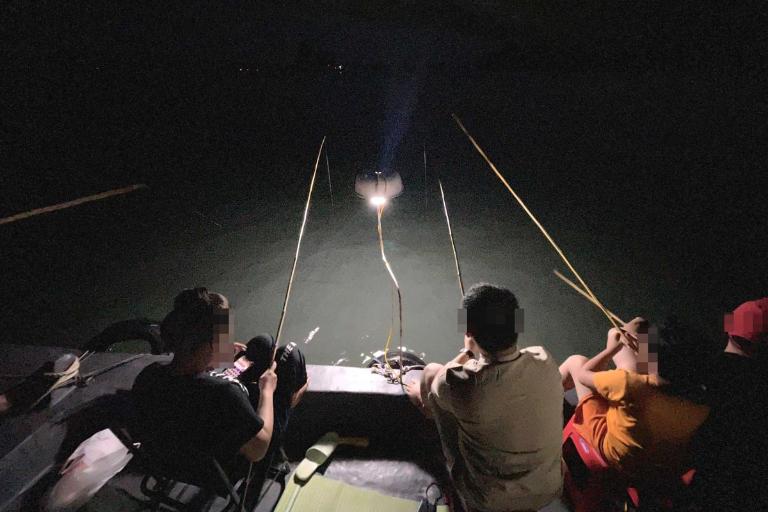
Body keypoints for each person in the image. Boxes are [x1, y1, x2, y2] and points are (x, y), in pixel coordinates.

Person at [407, 283, 563, 512]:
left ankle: (426, 409)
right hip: (549, 488)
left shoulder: (462, 385)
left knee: (431, 373)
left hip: (488, 500)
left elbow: (440, 376)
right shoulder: (544, 359)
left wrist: (468, 351)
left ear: (468, 331)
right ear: (518, 322)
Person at [132, 287, 277, 489]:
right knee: (289, 356)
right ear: (207, 347)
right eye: (224, 337)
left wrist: (217, 353)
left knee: (263, 342)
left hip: (167, 463)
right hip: (215, 473)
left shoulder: (149, 376)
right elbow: (258, 450)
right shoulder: (224, 394)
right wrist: (267, 391)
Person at [558, 317, 710, 487]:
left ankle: (541, 393)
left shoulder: (628, 384)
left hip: (613, 452)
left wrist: (611, 349)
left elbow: (583, 375)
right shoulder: (701, 406)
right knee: (616, 332)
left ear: (653, 360)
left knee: (576, 361)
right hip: (650, 464)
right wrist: (637, 338)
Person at [691, 298, 768, 510]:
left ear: (729, 326)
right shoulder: (759, 386)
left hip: (704, 472)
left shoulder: (707, 368)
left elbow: (648, 381)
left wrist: (643, 335)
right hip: (748, 488)